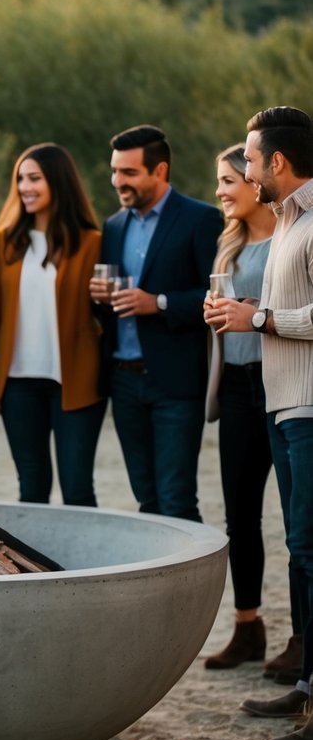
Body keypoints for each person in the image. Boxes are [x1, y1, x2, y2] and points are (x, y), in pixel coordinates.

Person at [206, 107, 313, 740]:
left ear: (276, 162)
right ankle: (306, 685)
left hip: (309, 406)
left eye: (248, 159)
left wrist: (262, 319)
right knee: (302, 550)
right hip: (281, 403)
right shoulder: (291, 223)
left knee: (310, 546)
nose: (242, 170)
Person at [91, 124, 222, 522]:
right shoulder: (113, 226)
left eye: (129, 173)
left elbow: (216, 296)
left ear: (160, 171)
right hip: (124, 382)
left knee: (177, 498)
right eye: (115, 171)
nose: (118, 181)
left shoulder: (201, 220)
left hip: (176, 384)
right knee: (146, 501)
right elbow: (112, 308)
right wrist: (98, 298)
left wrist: (159, 303)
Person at [0, 143, 105, 505]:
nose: (24, 187)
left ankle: (87, 564)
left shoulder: (92, 243)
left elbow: (103, 311)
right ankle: (36, 565)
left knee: (78, 487)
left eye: (34, 178)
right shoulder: (3, 242)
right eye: (20, 179)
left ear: (58, 182)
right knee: (31, 487)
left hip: (77, 382)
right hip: (17, 385)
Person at [202, 144, 278, 670]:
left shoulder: (291, 239)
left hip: (281, 386)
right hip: (236, 387)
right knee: (241, 517)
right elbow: (222, 319)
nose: (222, 192)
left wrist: (254, 313)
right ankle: (247, 627)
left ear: (256, 182)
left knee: (300, 523)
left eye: (230, 180)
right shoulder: (228, 248)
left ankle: (302, 644)